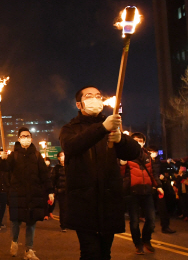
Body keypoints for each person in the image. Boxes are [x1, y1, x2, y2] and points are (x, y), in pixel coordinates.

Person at [59, 86, 140, 260]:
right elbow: (72, 146)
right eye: (89, 96)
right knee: (90, 252)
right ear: (79, 104)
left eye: (98, 96)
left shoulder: (112, 126)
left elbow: (134, 153)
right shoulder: (70, 129)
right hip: (84, 201)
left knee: (105, 253)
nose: (95, 99)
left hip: (109, 200)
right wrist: (102, 128)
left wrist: (121, 139)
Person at [0, 127, 53, 260]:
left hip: (34, 194)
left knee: (31, 222)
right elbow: (4, 168)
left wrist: (50, 190)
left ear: (31, 138)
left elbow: (44, 174)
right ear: (19, 139)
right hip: (17, 194)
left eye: (28, 136)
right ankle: (15, 242)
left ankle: (29, 250)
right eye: (23, 136)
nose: (26, 138)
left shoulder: (37, 155)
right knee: (16, 221)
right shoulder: (14, 155)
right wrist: (2, 160)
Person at [119, 132, 163, 254]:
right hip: (132, 192)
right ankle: (138, 244)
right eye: (135, 140)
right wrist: (122, 163)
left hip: (147, 191)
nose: (138, 142)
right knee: (134, 222)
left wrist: (158, 186)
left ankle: (146, 240)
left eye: (141, 140)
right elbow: (120, 174)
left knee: (151, 219)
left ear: (144, 142)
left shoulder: (147, 156)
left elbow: (152, 173)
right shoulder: (125, 154)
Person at [51, 151, 67, 232]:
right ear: (58, 158)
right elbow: (53, 180)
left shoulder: (70, 166)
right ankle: (63, 225)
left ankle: (70, 223)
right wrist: (52, 191)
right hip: (61, 191)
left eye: (64, 155)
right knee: (63, 208)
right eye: (61, 156)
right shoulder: (56, 168)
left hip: (70, 191)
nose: (63, 157)